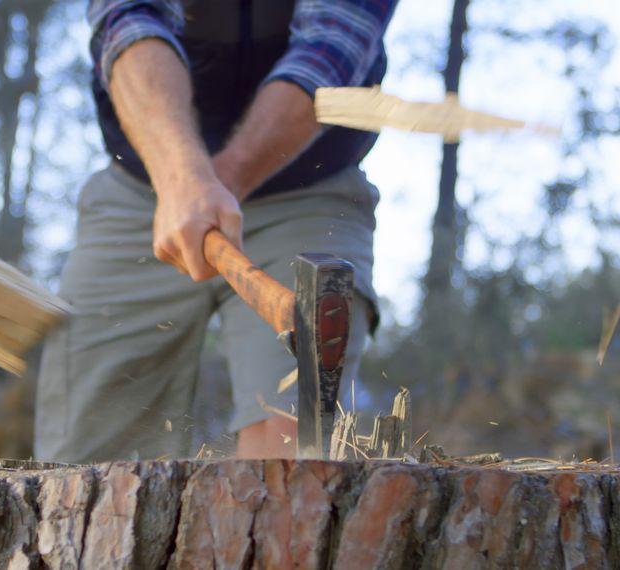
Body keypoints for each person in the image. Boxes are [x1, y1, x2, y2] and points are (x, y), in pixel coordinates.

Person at [35, 0, 398, 463]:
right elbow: (129, 22)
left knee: (292, 454)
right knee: (83, 462)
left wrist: (212, 186)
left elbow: (330, 52)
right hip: (141, 186)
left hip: (309, 186)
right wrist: (182, 177)